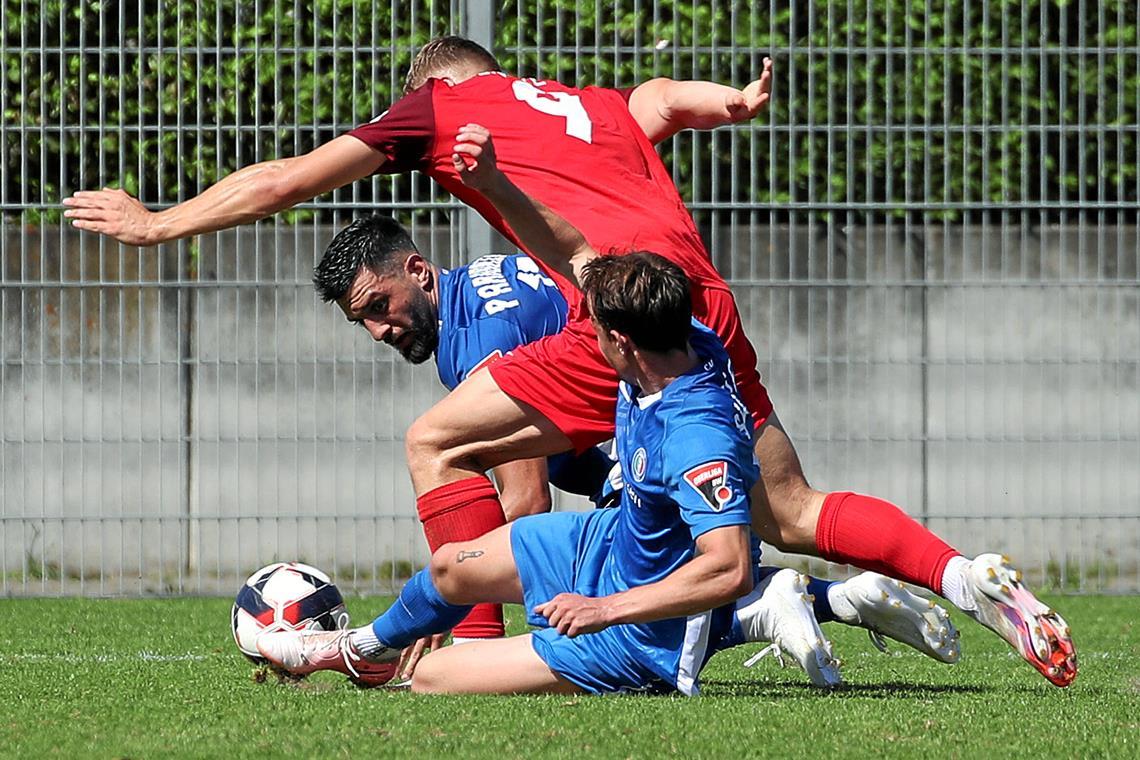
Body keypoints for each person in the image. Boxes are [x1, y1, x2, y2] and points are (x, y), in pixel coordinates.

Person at [62, 37, 1076, 686]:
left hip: (612, 317)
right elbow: (655, 103)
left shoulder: (440, 111)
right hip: (697, 300)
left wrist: (158, 225)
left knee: (436, 439)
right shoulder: (583, 102)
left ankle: (460, 648)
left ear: (430, 88)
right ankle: (961, 571)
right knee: (795, 508)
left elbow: (287, 178)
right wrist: (727, 103)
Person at [312, 213, 961, 676]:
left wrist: (473, 615)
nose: (376, 330)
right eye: (360, 319)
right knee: (784, 515)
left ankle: (810, 597)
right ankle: (843, 594)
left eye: (379, 304)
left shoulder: (480, 342)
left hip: (651, 390)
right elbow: (566, 453)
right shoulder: (476, 291)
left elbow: (527, 498)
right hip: (676, 372)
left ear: (419, 271)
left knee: (435, 447)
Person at [262, 240, 843, 693]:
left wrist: (601, 610)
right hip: (610, 539)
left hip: (636, 615)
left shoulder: (695, 435)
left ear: (619, 340)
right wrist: (488, 178)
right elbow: (573, 247)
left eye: (585, 328)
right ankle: (360, 646)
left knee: (436, 677)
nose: (574, 335)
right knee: (449, 571)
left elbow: (726, 565)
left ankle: (759, 614)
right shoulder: (674, 341)